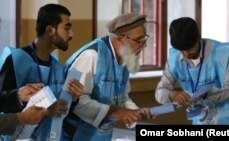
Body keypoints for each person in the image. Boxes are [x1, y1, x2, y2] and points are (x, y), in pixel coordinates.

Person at [63, 13, 153, 140]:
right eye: (139, 40)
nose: (144, 46)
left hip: (101, 135)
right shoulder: (91, 55)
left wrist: (135, 112)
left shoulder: (125, 57)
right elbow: (76, 102)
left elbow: (121, 98)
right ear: (121, 38)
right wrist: (115, 112)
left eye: (145, 39)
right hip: (76, 134)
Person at [0, 3, 83, 140]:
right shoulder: (16, 60)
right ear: (50, 30)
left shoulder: (57, 67)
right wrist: (43, 108)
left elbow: (61, 110)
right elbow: (3, 106)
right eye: (67, 28)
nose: (71, 34)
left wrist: (73, 99)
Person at [155, 17, 229, 124]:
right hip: (201, 119)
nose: (186, 54)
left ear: (198, 37)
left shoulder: (220, 53)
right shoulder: (174, 59)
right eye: (182, 50)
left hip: (228, 119)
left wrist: (206, 94)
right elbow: (159, 92)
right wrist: (172, 95)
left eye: (190, 48)